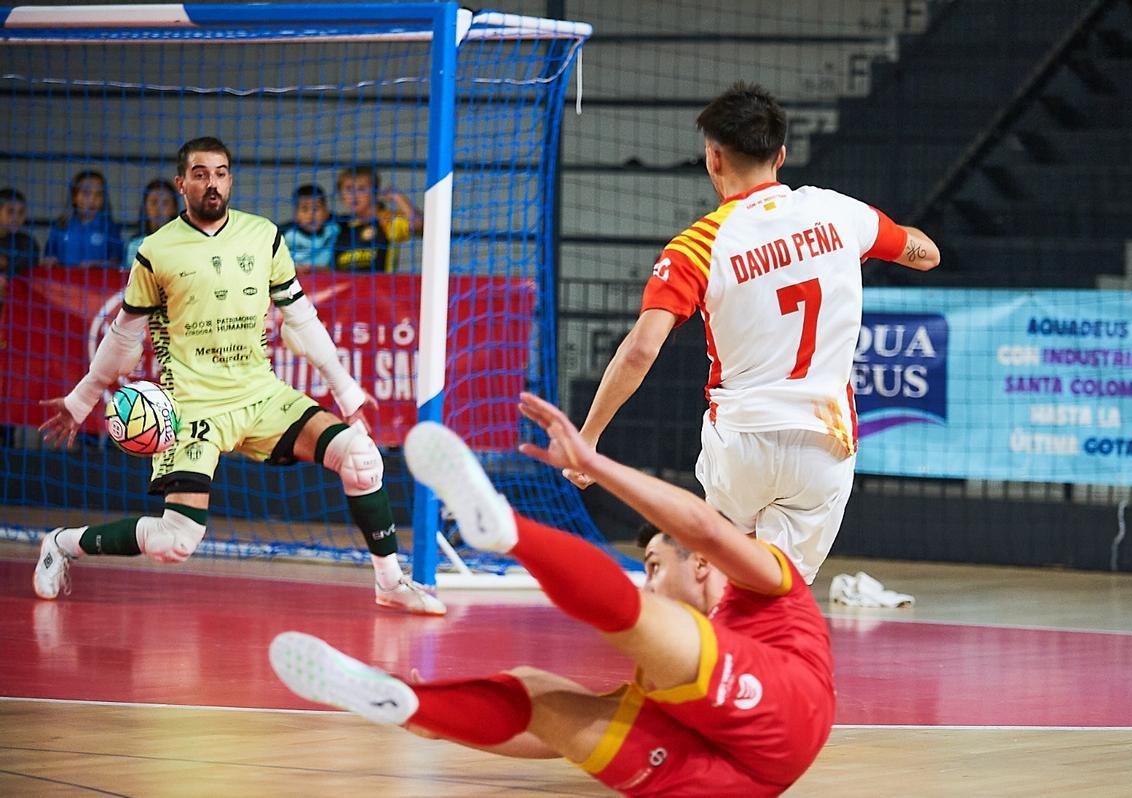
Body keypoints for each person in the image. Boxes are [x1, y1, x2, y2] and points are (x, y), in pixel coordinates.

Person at [270, 391, 835, 798]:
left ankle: (510, 531)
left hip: (787, 717)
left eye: (656, 565)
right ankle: (408, 700)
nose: (651, 579)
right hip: (723, 781)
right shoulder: (667, 677)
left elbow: (705, 527)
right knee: (538, 698)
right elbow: (544, 737)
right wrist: (434, 716)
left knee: (638, 621)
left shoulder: (766, 587)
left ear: (704, 567)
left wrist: (592, 463)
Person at [34, 136, 445, 616]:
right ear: (181, 182)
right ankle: (61, 543)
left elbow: (301, 317)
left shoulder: (264, 236)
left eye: (221, 173)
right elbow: (124, 335)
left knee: (360, 456)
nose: (213, 183)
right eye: (202, 173)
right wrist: (82, 399)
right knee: (174, 542)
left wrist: (345, 389)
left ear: (230, 179)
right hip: (190, 407)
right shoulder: (156, 249)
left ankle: (391, 583)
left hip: (260, 394)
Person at [566, 82, 940, 584]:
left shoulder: (696, 246)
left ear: (712, 159)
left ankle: (715, 660)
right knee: (781, 593)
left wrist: (587, 440)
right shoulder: (838, 212)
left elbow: (640, 350)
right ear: (781, 154)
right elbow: (926, 253)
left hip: (743, 442)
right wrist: (897, 245)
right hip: (823, 442)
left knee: (724, 582)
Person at [333, 166, 422, 272]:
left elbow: (418, 224)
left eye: (361, 189)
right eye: (348, 189)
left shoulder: (387, 219)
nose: (354, 195)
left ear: (375, 192)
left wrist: (398, 197)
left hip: (382, 287)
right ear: (341, 195)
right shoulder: (339, 226)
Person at [43, 169, 124, 267]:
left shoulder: (110, 228)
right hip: (63, 281)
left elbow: (116, 261)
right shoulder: (61, 225)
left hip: (96, 280)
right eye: (86, 193)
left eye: (98, 194)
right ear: (74, 196)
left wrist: (97, 265)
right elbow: (48, 258)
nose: (92, 199)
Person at [281, 184, 339, 272]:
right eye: (304, 209)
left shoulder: (335, 227)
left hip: (328, 278)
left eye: (316, 209)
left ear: (326, 212)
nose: (311, 215)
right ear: (296, 215)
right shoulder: (285, 234)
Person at [124, 178, 181, 268]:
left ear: (174, 208)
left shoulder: (181, 242)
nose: (159, 209)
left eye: (165, 203)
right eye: (154, 202)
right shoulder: (135, 244)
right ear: (145, 207)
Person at [0, 187, 40, 284]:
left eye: (21, 212)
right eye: (10, 212)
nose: (16, 218)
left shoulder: (27, 242)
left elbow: (22, 272)